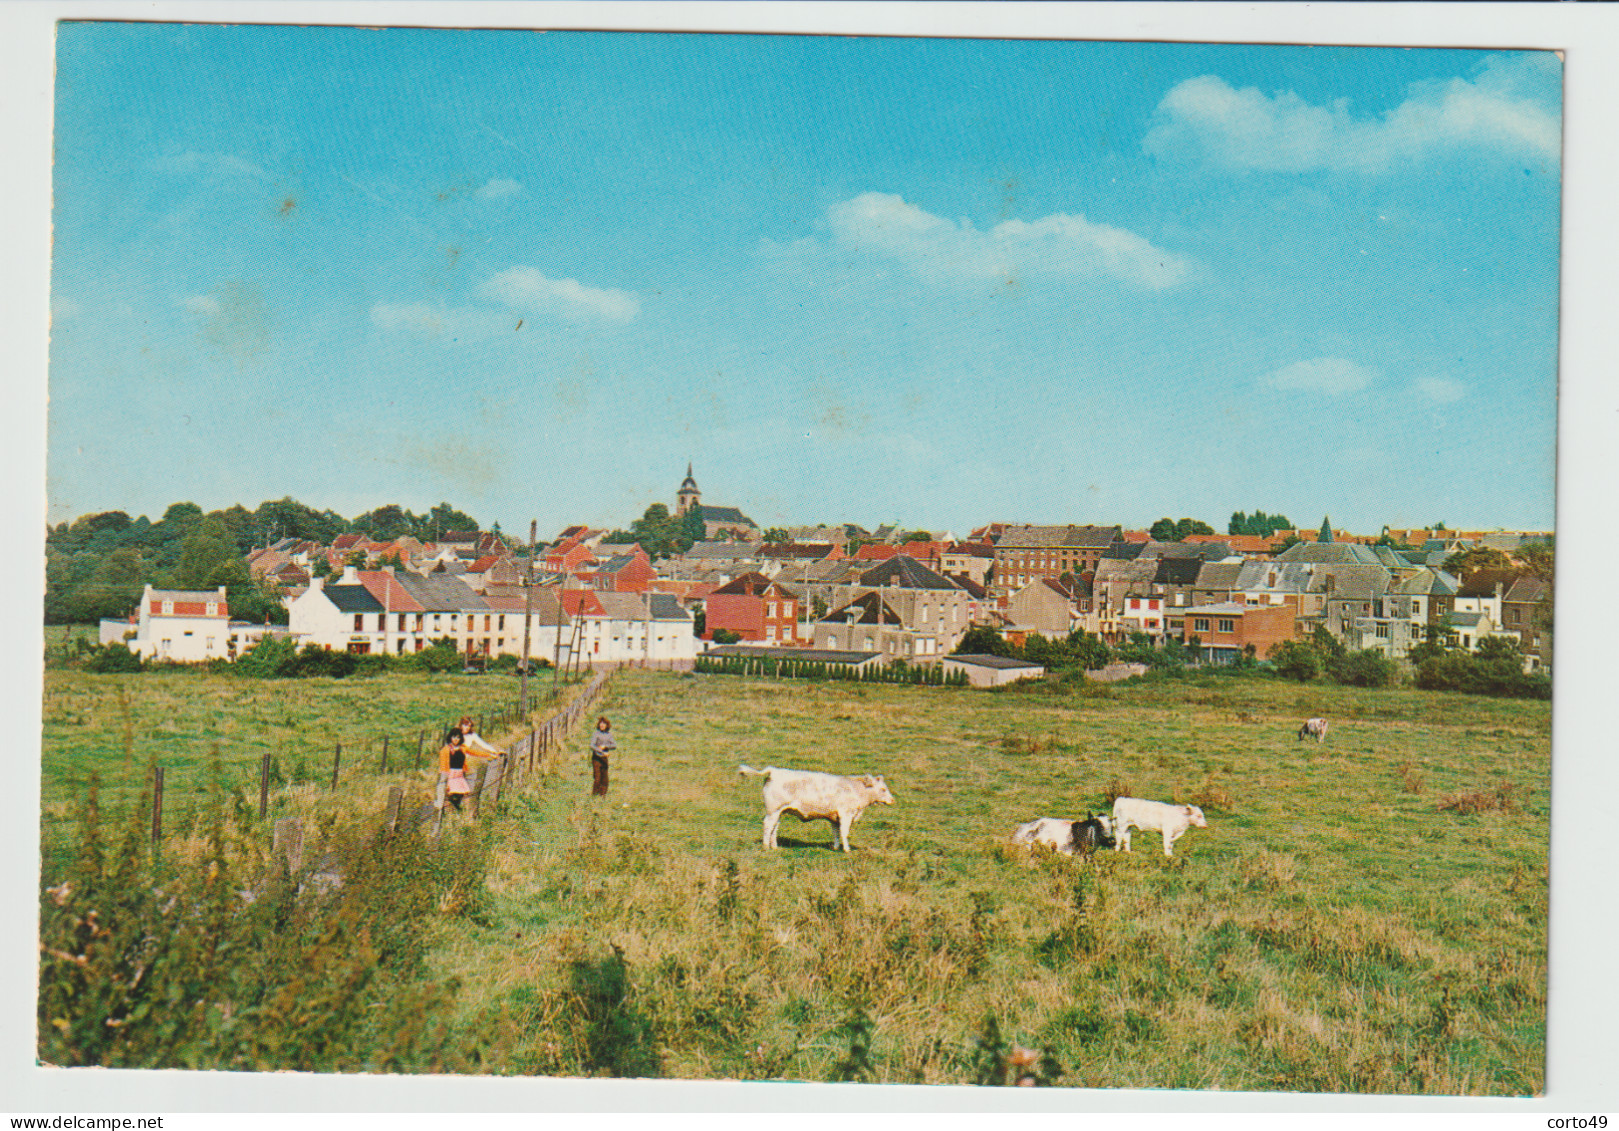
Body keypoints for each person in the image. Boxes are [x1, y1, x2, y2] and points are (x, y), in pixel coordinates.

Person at [436, 728, 496, 812]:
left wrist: (488, 755)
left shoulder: (462, 748)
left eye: (458, 737)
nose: (456, 739)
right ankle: (448, 816)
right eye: (454, 737)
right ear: (450, 738)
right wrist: (446, 780)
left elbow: (475, 752)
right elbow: (443, 766)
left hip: (460, 775)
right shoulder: (445, 750)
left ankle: (467, 814)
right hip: (450, 775)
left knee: (466, 794)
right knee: (449, 795)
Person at [589, 715, 616, 797]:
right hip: (596, 758)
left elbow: (614, 745)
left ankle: (602, 796)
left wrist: (605, 747)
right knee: (597, 779)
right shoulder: (596, 734)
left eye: (604, 724)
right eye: (600, 723)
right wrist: (601, 750)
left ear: (607, 725)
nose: (602, 725)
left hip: (604, 759)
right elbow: (592, 745)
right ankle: (594, 795)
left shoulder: (609, 735)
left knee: (605, 779)